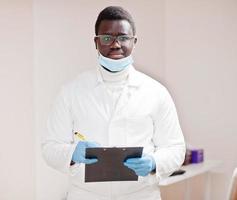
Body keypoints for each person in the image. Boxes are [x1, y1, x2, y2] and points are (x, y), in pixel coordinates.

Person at [42, 6, 185, 200]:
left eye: (123, 37)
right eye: (107, 38)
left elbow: (176, 148)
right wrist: (72, 153)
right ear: (96, 42)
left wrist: (154, 162)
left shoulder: (156, 92)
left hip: (140, 195)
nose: (116, 44)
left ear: (134, 42)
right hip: (86, 195)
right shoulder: (71, 92)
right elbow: (50, 147)